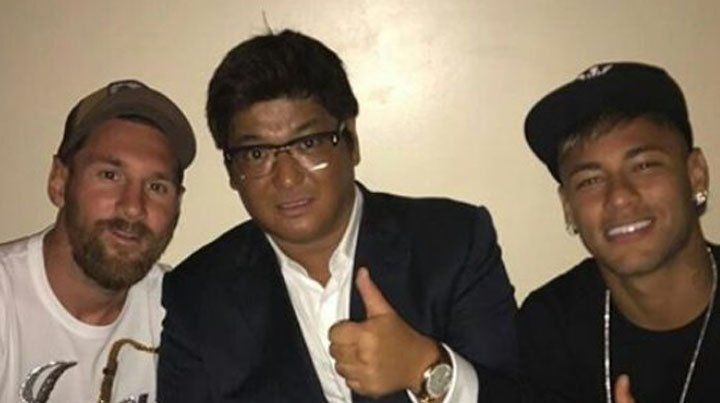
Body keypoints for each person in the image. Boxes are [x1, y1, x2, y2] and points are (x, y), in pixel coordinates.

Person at [158, 29, 519, 403]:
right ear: (232, 172)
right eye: (257, 154)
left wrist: (425, 368)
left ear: (351, 141)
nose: (286, 177)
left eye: (308, 143)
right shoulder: (197, 294)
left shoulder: (452, 244)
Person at [520, 62, 720, 402]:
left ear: (695, 174)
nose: (619, 196)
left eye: (644, 166)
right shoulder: (551, 324)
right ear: (568, 207)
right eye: (590, 181)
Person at [0, 79, 196, 403]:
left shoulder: (183, 314)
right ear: (59, 182)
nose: (133, 207)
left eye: (157, 187)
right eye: (110, 175)